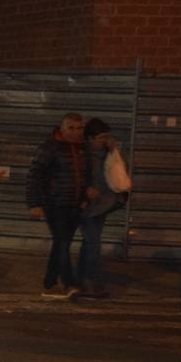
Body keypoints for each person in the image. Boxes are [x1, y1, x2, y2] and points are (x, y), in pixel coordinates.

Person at [26, 113, 93, 299]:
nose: (76, 132)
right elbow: (34, 175)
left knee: (60, 244)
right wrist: (35, 203)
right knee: (62, 243)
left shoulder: (82, 149)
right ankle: (69, 283)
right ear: (62, 128)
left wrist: (86, 194)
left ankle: (49, 282)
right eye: (71, 128)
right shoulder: (50, 148)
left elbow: (87, 174)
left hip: (75, 204)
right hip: (55, 204)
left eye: (79, 128)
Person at [77, 118, 130, 298]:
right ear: (90, 139)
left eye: (106, 137)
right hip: (87, 207)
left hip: (101, 206)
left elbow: (118, 171)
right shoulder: (82, 155)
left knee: (89, 244)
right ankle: (91, 284)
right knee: (93, 245)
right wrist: (85, 191)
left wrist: (113, 150)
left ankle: (83, 281)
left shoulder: (106, 152)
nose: (105, 140)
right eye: (101, 137)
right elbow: (73, 177)